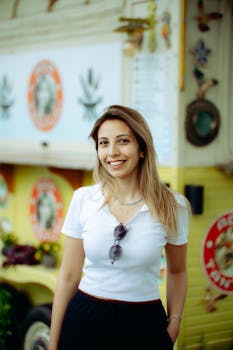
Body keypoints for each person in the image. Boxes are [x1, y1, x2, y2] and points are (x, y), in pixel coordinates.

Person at [48, 105, 190, 350]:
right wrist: (53, 342)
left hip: (143, 324)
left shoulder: (172, 205)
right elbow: (68, 276)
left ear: (142, 148)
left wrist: (174, 324)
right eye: (103, 143)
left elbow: (177, 271)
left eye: (123, 141)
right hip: (84, 321)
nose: (112, 152)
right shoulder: (84, 199)